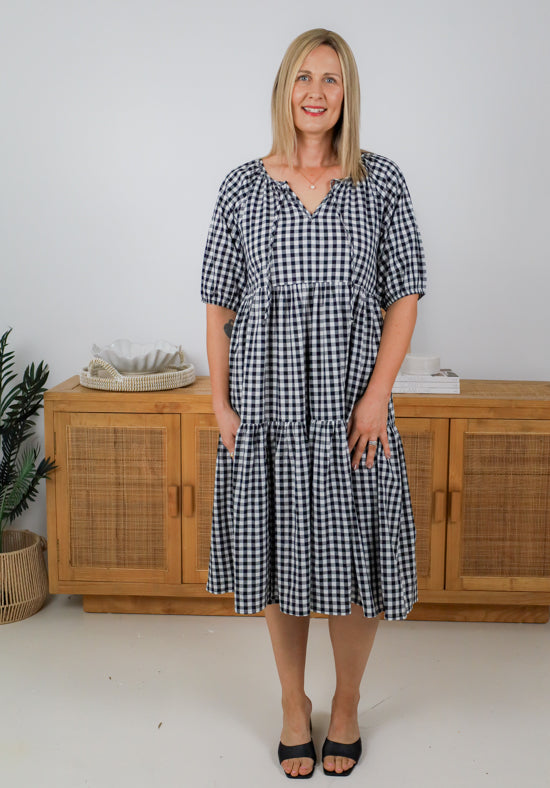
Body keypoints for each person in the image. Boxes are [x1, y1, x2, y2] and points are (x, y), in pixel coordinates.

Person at [201, 27, 426, 779]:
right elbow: (219, 302)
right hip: (266, 414)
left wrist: (377, 398)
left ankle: (348, 704)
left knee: (353, 561)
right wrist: (221, 404)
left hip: (351, 413)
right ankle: (294, 704)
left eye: (331, 79)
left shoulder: (380, 181)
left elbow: (404, 296)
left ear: (346, 94)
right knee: (278, 557)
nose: (317, 93)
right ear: (284, 88)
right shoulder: (241, 185)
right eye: (305, 77)